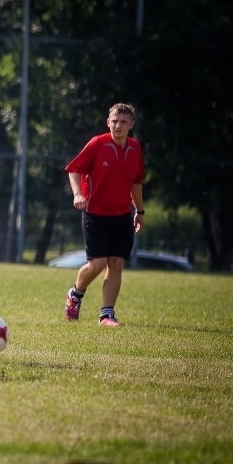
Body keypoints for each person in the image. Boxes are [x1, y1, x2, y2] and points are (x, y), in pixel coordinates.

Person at [63, 103, 144, 327]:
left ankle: (107, 315)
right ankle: (75, 294)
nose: (118, 126)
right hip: (95, 213)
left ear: (131, 124)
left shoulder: (135, 148)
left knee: (116, 264)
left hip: (122, 214)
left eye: (123, 122)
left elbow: (136, 182)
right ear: (108, 122)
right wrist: (78, 194)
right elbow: (74, 169)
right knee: (97, 264)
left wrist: (139, 211)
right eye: (114, 121)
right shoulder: (98, 143)